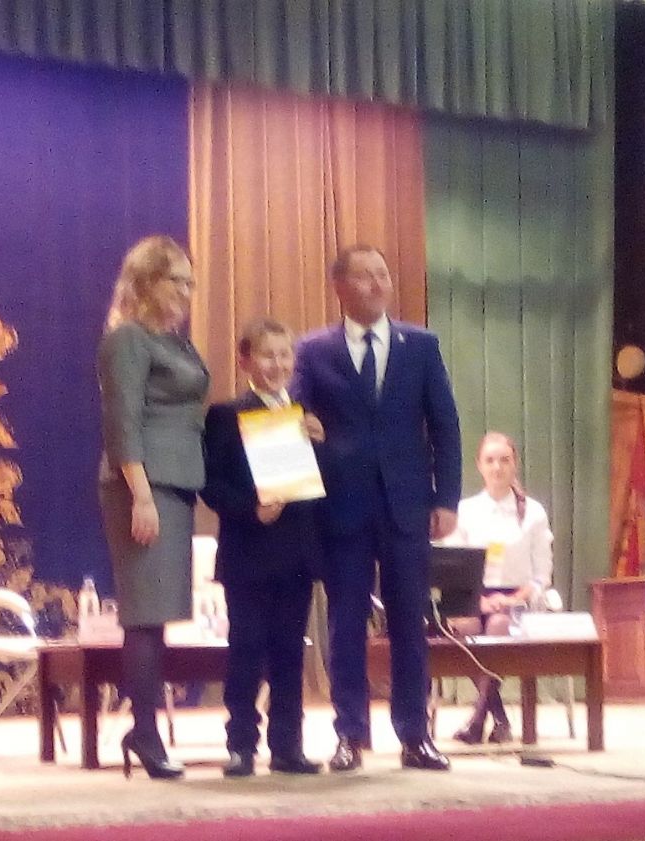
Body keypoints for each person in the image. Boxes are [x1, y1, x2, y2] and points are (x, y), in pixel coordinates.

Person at [293, 244, 462, 772]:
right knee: (346, 622)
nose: (377, 284)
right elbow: (290, 413)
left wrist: (447, 498)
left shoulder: (421, 345)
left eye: (383, 275)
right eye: (364, 276)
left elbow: (445, 425)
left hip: (407, 505)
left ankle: (415, 734)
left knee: (410, 621)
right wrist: (299, 424)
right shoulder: (313, 350)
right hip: (342, 506)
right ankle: (350, 733)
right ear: (340, 287)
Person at [97, 235, 210, 779]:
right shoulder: (128, 339)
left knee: (157, 616)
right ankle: (144, 731)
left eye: (190, 282)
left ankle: (142, 729)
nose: (188, 291)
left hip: (175, 486)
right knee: (144, 615)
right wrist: (141, 495)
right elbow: (122, 422)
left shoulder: (176, 344)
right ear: (147, 282)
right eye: (178, 281)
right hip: (142, 488)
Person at [200, 317, 326, 778]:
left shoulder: (305, 415)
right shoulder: (225, 415)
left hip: (296, 554)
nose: (277, 365)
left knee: (289, 652)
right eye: (267, 355)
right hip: (248, 554)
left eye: (285, 355)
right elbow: (211, 486)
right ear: (245, 360)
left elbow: (323, 485)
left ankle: (288, 746)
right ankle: (241, 745)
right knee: (247, 649)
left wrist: (322, 444)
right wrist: (252, 509)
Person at [444, 432, 553, 745]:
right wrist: (478, 600)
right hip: (474, 597)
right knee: (462, 629)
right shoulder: (465, 511)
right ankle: (499, 718)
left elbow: (542, 575)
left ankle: (478, 720)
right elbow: (453, 570)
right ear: (479, 465)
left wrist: (513, 599)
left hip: (517, 601)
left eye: (504, 460)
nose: (497, 467)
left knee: (498, 627)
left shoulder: (533, 513)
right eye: (490, 460)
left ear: (514, 464)